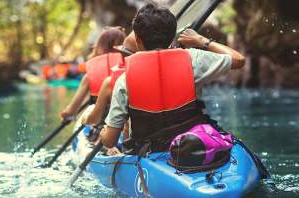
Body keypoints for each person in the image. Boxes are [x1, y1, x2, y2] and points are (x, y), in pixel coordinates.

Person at [99, 3, 245, 156]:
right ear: (172, 36)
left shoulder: (124, 80)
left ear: (137, 39)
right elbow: (238, 59)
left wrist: (103, 134)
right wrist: (200, 40)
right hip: (193, 146)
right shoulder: (193, 59)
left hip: (149, 153)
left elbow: (109, 141)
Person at [59, 27, 126, 120]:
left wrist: (66, 114)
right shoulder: (130, 68)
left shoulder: (89, 76)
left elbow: (71, 111)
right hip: (126, 122)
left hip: (99, 123)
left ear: (99, 46)